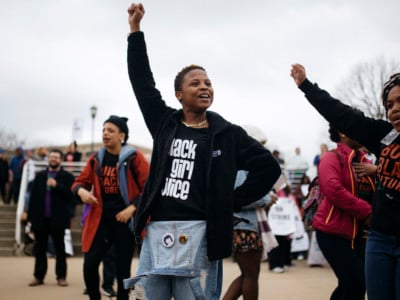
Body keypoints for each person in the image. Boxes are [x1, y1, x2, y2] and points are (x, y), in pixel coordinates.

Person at [125, 3, 281, 299]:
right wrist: (135, 31)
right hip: (157, 230)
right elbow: (142, 83)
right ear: (179, 94)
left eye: (208, 82)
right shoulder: (164, 123)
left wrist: (229, 200)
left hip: (202, 234)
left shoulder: (227, 134)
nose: (204, 87)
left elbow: (269, 168)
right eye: (194, 83)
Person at [290, 63, 400, 300]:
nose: (394, 110)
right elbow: (342, 114)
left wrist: (377, 170)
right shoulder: (385, 137)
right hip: (377, 236)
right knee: (357, 286)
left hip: (364, 233)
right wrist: (307, 86)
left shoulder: (363, 159)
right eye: (389, 105)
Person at [71, 115, 149, 300]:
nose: (105, 134)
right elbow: (78, 183)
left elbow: (149, 188)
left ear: (122, 135)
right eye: (104, 130)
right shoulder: (96, 158)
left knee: (123, 270)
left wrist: (132, 208)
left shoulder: (134, 157)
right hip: (100, 220)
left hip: (125, 221)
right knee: (89, 265)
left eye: (110, 130)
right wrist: (81, 192)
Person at [223, 139, 277, 300]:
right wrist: (267, 200)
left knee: (248, 274)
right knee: (251, 275)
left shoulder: (237, 165)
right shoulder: (242, 167)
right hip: (244, 226)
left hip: (241, 225)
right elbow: (240, 196)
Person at [27, 149, 75, 287]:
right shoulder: (40, 176)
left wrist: (57, 186)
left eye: (56, 157)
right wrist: (29, 215)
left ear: (61, 160)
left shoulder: (67, 177)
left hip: (58, 219)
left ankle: (61, 277)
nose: (53, 159)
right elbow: (33, 197)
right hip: (40, 219)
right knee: (40, 249)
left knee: (60, 249)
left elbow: (71, 196)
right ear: (48, 159)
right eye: (51, 157)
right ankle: (38, 276)